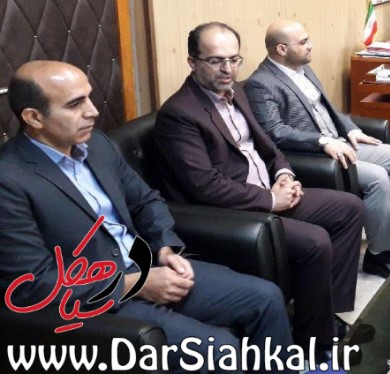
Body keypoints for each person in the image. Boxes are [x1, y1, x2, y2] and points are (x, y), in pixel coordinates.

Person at [0, 61, 294, 373]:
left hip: (149, 266)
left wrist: (165, 247)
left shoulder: (97, 145)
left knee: (266, 298)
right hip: (98, 299)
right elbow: (33, 286)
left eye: (89, 97)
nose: (92, 111)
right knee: (220, 350)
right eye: (75, 104)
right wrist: (136, 285)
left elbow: (145, 201)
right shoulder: (10, 180)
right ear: (34, 117)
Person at [154, 22, 365, 355]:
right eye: (216, 61)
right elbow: (204, 186)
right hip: (233, 213)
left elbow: (266, 144)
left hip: (268, 191)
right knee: (314, 241)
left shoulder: (236, 91)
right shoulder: (179, 114)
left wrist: (284, 174)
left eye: (234, 59)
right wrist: (269, 200)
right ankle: (315, 342)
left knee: (349, 207)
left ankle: (326, 314)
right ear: (192, 62)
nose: (227, 69)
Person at [244, 20, 390, 278]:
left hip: (339, 141)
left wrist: (351, 130)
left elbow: (329, 109)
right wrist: (322, 141)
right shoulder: (260, 83)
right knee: (377, 177)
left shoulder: (303, 69)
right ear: (282, 49)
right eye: (303, 42)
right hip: (314, 155)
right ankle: (380, 254)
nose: (311, 46)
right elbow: (274, 132)